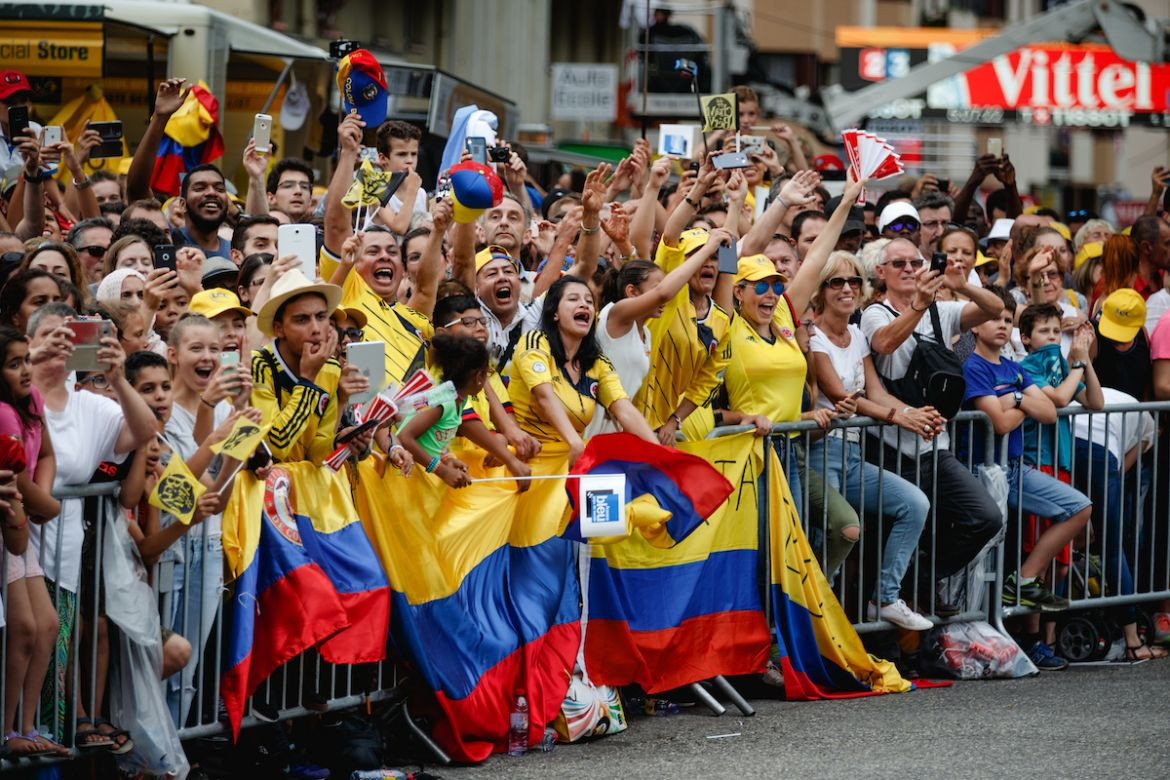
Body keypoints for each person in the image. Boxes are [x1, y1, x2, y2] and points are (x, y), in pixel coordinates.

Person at [27, 301, 157, 745]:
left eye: (70, 335)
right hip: (16, 546)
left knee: (51, 660)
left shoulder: (88, 405)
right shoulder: (14, 394)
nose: (61, 343)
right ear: (26, 342)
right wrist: (33, 366)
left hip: (61, 558)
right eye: (49, 334)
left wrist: (118, 377)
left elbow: (142, 431)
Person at [861, 237, 1005, 609]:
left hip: (935, 449)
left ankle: (923, 578)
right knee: (889, 537)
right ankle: (894, 614)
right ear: (881, 273)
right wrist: (919, 306)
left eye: (916, 262)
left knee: (986, 517)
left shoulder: (941, 310)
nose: (909, 269)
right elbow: (885, 345)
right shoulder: (875, 312)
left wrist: (961, 285)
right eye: (899, 264)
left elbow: (995, 307)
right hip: (890, 452)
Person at [960, 290, 1091, 665]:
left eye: (1006, 320)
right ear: (975, 322)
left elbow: (1049, 413)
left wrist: (1014, 399)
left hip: (1014, 470)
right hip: (980, 471)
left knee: (1080, 508)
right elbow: (999, 423)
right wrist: (1021, 402)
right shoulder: (973, 366)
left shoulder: (1014, 368)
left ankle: (1025, 579)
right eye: (994, 318)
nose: (1001, 325)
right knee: (981, 551)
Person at [807, 251, 933, 628]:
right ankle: (814, 624)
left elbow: (874, 392)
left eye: (854, 282)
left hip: (852, 455)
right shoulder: (812, 335)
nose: (847, 289)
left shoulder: (857, 334)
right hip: (819, 450)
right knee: (825, 539)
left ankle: (886, 598)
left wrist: (915, 414)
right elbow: (844, 397)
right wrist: (900, 417)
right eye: (837, 282)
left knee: (915, 504)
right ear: (822, 290)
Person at [588, 228, 732, 436]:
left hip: (634, 432)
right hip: (599, 433)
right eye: (696, 256)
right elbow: (664, 290)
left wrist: (671, 423)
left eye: (714, 258)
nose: (707, 262)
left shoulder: (645, 335)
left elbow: (709, 379)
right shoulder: (616, 314)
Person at [0, 326, 69, 756]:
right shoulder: (4, 414)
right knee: (24, 627)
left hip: (24, 516)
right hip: (10, 524)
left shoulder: (31, 401)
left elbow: (45, 454)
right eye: (13, 364)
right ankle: (6, 731)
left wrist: (41, 499)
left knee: (48, 625)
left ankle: (26, 726)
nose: (26, 370)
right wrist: (51, 506)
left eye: (27, 359)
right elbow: (15, 477)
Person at [508, 275, 659, 466]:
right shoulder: (535, 341)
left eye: (589, 301)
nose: (584, 305)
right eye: (573, 299)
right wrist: (574, 442)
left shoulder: (598, 362)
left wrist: (660, 453)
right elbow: (545, 396)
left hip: (571, 464)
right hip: (526, 463)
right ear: (554, 313)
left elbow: (625, 410)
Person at [396, 333, 494, 488]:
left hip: (423, 482)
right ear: (478, 376)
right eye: (487, 373)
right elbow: (405, 437)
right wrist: (442, 471)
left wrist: (448, 459)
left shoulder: (460, 399)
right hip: (408, 482)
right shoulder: (444, 402)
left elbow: (432, 441)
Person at [1092, 289, 1151, 401]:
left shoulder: (1143, 334)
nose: (1115, 336)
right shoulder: (1093, 335)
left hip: (1136, 413)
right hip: (1100, 414)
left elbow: (1146, 383)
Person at [374, 120, 426, 234]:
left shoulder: (421, 193)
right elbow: (399, 228)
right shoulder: (376, 190)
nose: (410, 161)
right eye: (402, 154)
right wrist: (412, 190)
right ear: (383, 158)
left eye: (414, 154)